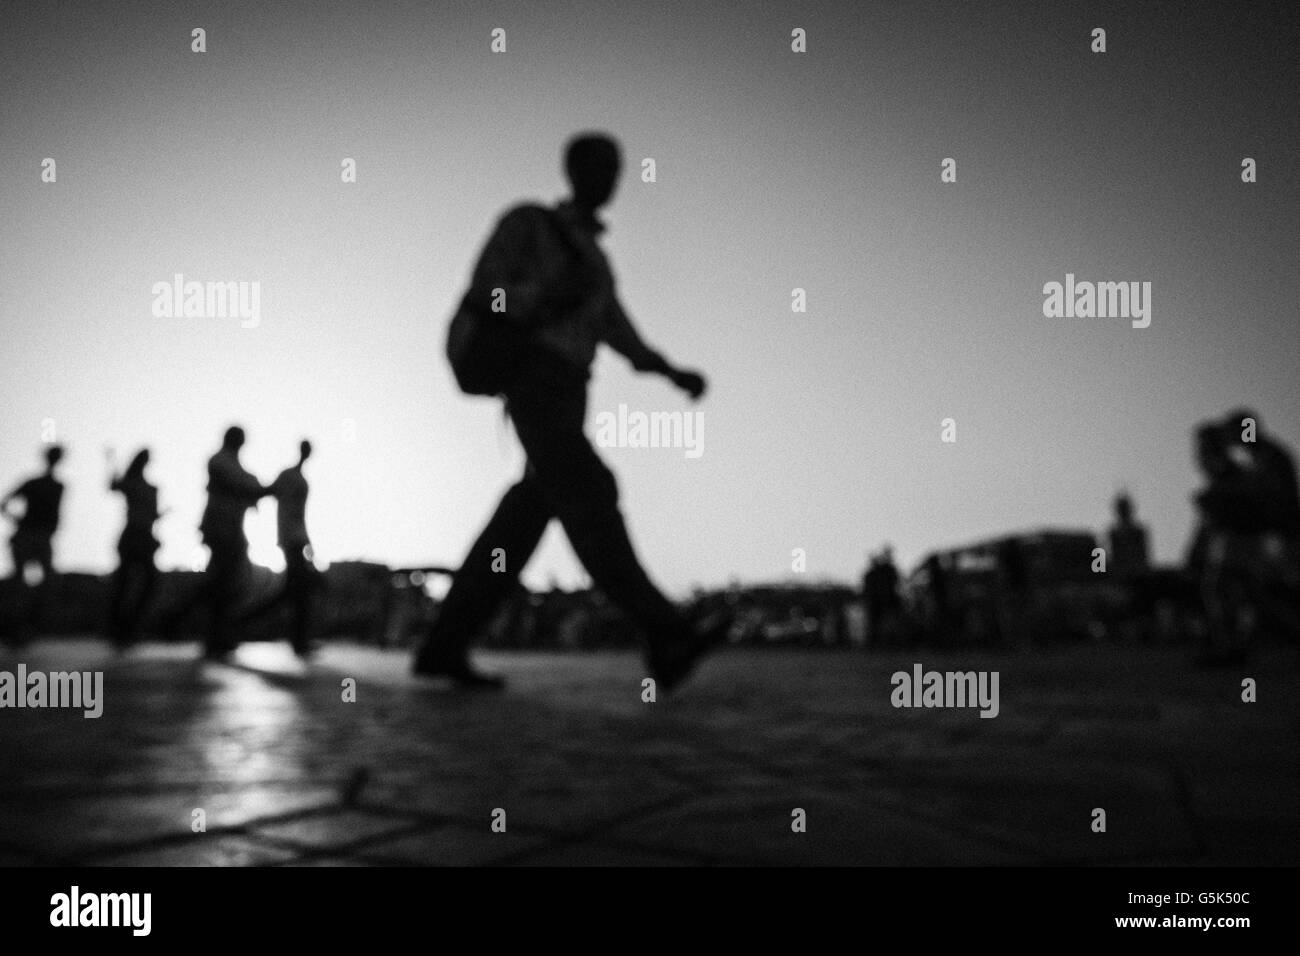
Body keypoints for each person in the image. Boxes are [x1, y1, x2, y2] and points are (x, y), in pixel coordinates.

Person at [414, 132, 725, 690]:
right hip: (533, 381)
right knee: (589, 491)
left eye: (617, 169)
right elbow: (490, 292)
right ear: (573, 169)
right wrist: (544, 296)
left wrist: (672, 372)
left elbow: (620, 333)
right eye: (599, 166)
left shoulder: (597, 263)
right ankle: (664, 631)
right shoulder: (529, 225)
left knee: (521, 521)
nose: (609, 179)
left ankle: (444, 644)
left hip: (570, 392)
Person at [163, 426, 269, 659]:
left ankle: (210, 631)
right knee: (220, 582)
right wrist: (261, 489)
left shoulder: (235, 465)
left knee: (226, 583)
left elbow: (248, 490)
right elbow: (236, 486)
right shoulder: (219, 461)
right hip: (221, 529)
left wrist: (260, 490)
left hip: (233, 529)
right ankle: (182, 618)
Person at [238, 440, 320, 657]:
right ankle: (298, 641)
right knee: (297, 591)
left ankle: (240, 620)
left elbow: (300, 515)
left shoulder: (301, 481)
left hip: (297, 539)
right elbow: (268, 493)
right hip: (289, 539)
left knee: (291, 591)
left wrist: (308, 543)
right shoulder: (288, 477)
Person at [2, 445, 66, 639]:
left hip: (37, 537)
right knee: (23, 583)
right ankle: (16, 626)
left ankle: (23, 625)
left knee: (37, 583)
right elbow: (4, 503)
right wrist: (18, 520)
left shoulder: (53, 485)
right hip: (30, 536)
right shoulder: (41, 484)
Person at [106, 448, 161, 648]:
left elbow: (152, 515)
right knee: (126, 582)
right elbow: (113, 485)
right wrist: (111, 463)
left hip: (144, 536)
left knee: (143, 582)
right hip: (134, 535)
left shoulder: (148, 487)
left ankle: (129, 626)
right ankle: (121, 628)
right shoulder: (135, 484)